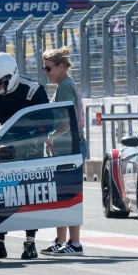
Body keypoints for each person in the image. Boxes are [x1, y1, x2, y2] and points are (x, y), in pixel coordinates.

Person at [0, 52, 49, 260]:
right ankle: (0, 241)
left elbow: (46, 124)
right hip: (3, 148)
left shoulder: (33, 91)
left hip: (30, 149)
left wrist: (31, 140)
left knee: (29, 196)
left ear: (11, 77)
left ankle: (30, 243)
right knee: (2, 195)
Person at [40, 46, 86, 257]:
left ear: (60, 67)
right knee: (61, 196)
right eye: (44, 69)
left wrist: (52, 136)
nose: (46, 73)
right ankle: (61, 240)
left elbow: (69, 121)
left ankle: (74, 243)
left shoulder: (65, 86)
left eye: (48, 68)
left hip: (69, 146)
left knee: (68, 196)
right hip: (69, 146)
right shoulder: (65, 85)